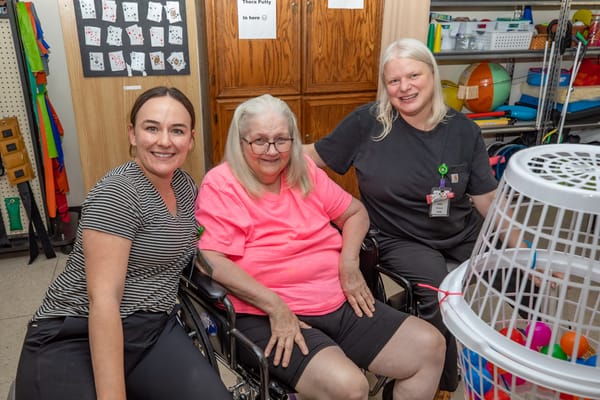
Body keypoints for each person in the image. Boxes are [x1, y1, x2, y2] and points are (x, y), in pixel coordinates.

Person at [303, 37, 524, 398]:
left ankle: (538, 356)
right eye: (394, 81)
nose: (404, 87)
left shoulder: (464, 130)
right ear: (385, 87)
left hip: (461, 228)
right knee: (441, 292)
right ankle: (443, 384)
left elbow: (486, 197)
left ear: (432, 75)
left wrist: (527, 251)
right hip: (399, 236)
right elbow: (316, 155)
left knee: (521, 274)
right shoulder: (367, 123)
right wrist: (264, 150)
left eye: (413, 75)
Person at [195, 93, 445, 400]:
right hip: (264, 313)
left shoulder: (304, 172)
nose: (272, 151)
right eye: (259, 141)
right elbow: (209, 258)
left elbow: (355, 213)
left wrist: (348, 263)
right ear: (241, 141)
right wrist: (275, 305)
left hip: (336, 300)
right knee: (351, 388)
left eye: (281, 140)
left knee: (430, 347)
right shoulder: (222, 184)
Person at [14, 86, 231, 400]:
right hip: (76, 331)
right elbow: (103, 300)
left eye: (177, 131)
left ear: (191, 139)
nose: (165, 141)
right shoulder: (117, 193)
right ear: (132, 134)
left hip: (152, 328)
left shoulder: (185, 186)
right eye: (152, 128)